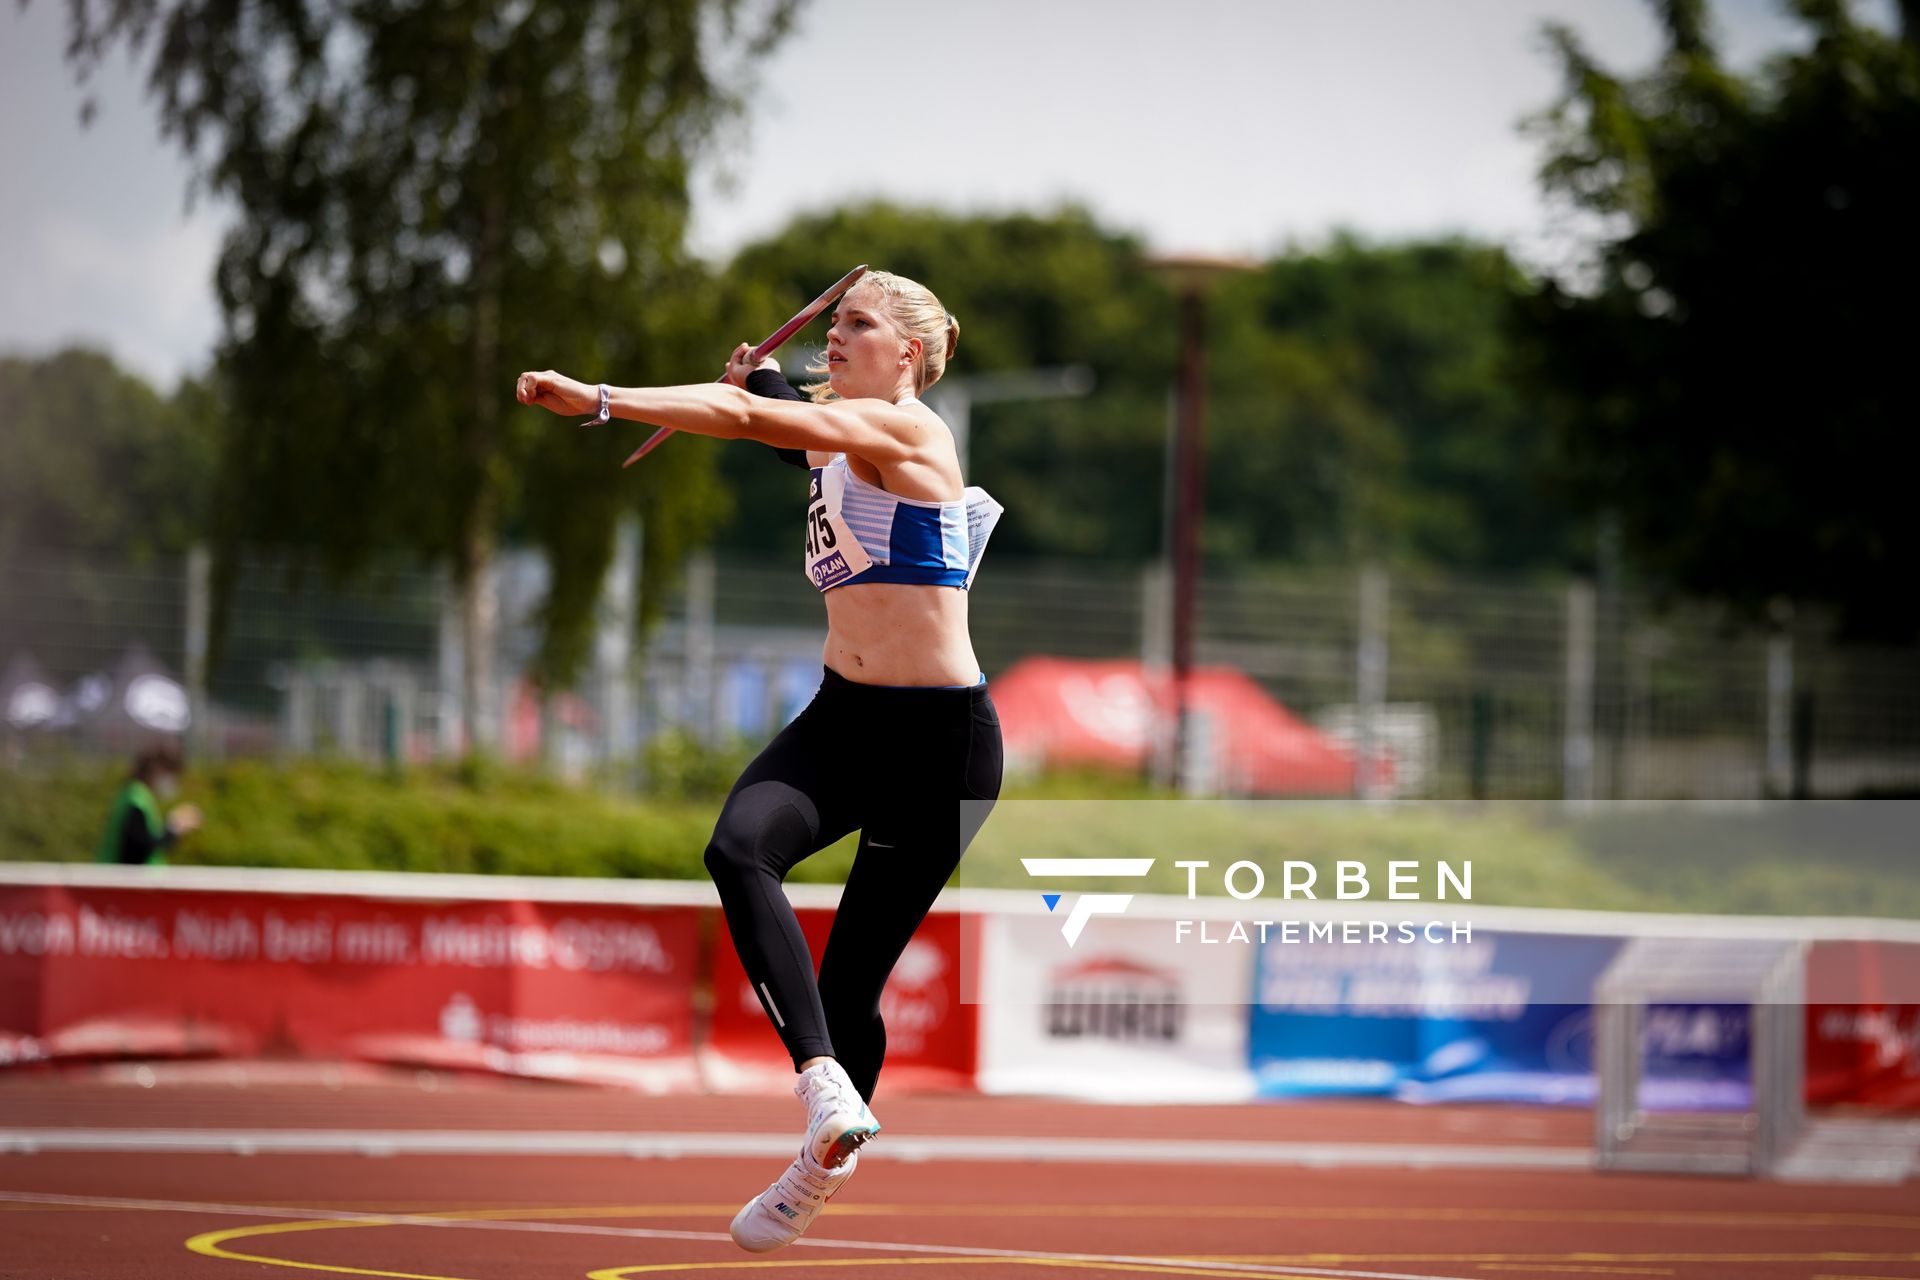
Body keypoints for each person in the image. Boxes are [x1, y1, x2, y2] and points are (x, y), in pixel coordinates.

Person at [516, 270, 1003, 1253]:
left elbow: (754, 417)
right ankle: (826, 1091)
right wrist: (769, 383)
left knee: (853, 982)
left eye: (856, 326)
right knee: (738, 848)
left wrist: (606, 399)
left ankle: (818, 1167)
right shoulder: (835, 429)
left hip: (941, 747)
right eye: (831, 326)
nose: (837, 339)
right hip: (843, 719)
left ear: (905, 354)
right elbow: (778, 424)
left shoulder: (917, 432)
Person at [94, 742, 200, 866]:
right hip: (121, 881)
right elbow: (138, 848)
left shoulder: (138, 796)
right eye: (171, 774)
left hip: (123, 879)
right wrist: (173, 828)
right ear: (156, 769)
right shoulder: (136, 799)